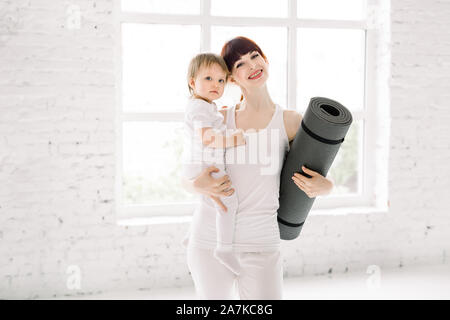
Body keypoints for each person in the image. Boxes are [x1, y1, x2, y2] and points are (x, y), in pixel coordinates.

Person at [181, 37, 334, 300]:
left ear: (265, 59)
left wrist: (326, 187)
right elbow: (186, 174)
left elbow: (324, 178)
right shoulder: (219, 118)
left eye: (254, 56)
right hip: (209, 239)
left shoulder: (290, 121)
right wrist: (197, 184)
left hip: (261, 241)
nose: (251, 65)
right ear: (230, 78)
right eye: (240, 63)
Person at [182, 53, 246, 276]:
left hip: (197, 164)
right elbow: (207, 138)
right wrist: (233, 139)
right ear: (193, 82)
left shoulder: (203, 106)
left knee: (208, 200)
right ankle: (224, 249)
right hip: (204, 164)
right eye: (208, 78)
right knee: (228, 201)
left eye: (221, 80)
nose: (216, 85)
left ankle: (192, 234)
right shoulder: (200, 108)